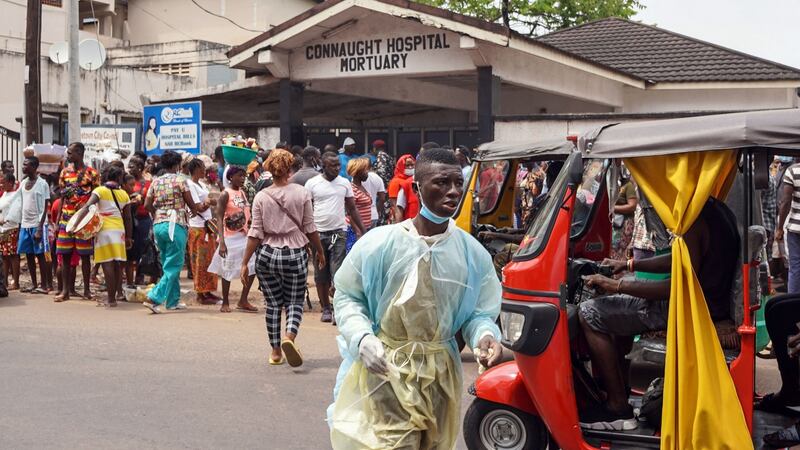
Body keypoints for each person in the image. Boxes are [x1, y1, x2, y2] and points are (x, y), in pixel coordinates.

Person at [328, 148, 503, 449]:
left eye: (457, 183)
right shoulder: (380, 244)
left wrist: (485, 336)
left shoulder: (471, 253)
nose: (452, 191)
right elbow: (347, 295)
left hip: (441, 377)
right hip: (387, 369)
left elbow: (477, 313)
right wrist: (361, 338)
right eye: (441, 182)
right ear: (417, 187)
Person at [577, 197, 738, 430]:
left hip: (692, 309)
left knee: (589, 312)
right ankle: (619, 388)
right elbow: (680, 260)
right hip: (705, 303)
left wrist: (617, 285)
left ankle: (617, 407)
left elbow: (676, 286)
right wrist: (630, 265)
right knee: (617, 306)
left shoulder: (696, 220)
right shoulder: (719, 209)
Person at [242, 149, 325, 366]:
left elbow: (255, 233)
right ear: (290, 169)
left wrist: (244, 262)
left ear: (268, 167)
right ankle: (289, 337)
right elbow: (309, 227)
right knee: (295, 301)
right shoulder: (301, 192)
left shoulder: (261, 196)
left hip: (266, 255)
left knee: (272, 305)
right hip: (294, 254)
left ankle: (276, 352)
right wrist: (319, 251)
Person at [305, 152, 366, 323]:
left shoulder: (344, 183)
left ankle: (338, 308)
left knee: (338, 272)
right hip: (317, 234)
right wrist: (305, 234)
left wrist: (363, 230)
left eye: (338, 165)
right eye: (333, 165)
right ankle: (325, 308)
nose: (337, 168)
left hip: (339, 232)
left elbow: (352, 209)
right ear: (323, 166)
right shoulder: (312, 184)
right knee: (320, 273)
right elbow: (307, 210)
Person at [142, 151, 199, 314]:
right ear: (177, 165)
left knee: (168, 261)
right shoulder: (181, 180)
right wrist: (192, 212)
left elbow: (147, 205)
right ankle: (154, 297)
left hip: (159, 225)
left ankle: (173, 301)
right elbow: (191, 204)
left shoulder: (155, 182)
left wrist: (158, 213)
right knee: (175, 264)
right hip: (176, 225)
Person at [72, 166, 132, 307]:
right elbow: (128, 218)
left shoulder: (99, 191)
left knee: (107, 264)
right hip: (119, 230)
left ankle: (110, 300)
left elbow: (87, 206)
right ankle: (116, 296)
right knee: (117, 264)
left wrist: (75, 225)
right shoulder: (124, 194)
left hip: (104, 229)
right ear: (118, 178)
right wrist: (129, 237)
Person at [207, 166, 258, 313]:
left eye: (244, 176)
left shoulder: (242, 193)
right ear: (230, 177)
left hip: (244, 236)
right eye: (239, 176)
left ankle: (243, 300)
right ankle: (226, 302)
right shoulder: (225, 194)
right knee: (227, 270)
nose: (243, 179)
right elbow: (219, 217)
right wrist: (221, 241)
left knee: (252, 267)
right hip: (230, 237)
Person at [55, 142, 100, 302]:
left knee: (85, 256)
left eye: (70, 153)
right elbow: (62, 197)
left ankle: (87, 290)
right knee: (65, 255)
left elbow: (97, 197)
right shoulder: (64, 173)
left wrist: (93, 217)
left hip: (84, 220)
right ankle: (66, 291)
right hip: (66, 218)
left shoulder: (92, 173)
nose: (68, 156)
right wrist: (57, 220)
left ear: (79, 153)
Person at [185, 158, 219, 305]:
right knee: (200, 261)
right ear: (196, 168)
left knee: (208, 260)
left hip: (206, 227)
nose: (204, 170)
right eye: (202, 167)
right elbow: (196, 207)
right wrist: (209, 202)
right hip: (198, 227)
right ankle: (201, 293)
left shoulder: (201, 184)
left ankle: (207, 291)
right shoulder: (190, 185)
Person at [16, 157, 52, 294]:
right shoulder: (23, 183)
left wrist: (39, 227)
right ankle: (34, 283)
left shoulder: (42, 184)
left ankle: (44, 285)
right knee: (29, 255)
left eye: (26, 165)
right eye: (23, 164)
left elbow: (45, 206)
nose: (23, 167)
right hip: (25, 224)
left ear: (34, 167)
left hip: (38, 225)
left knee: (40, 255)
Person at [125, 157, 152, 287]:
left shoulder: (148, 183)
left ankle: (139, 275)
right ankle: (129, 278)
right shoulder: (127, 181)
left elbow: (151, 200)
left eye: (132, 166)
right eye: (129, 166)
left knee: (142, 247)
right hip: (129, 218)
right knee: (130, 249)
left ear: (140, 168)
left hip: (143, 219)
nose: (130, 169)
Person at [777, 161, 800, 293]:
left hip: (795, 228)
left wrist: (780, 228)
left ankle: (794, 304)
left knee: (795, 266)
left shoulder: (792, 171)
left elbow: (786, 201)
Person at [345, 158, 374, 252]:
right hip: (356, 231)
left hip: (364, 228)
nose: (367, 173)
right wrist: (358, 231)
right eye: (365, 170)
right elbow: (349, 212)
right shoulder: (352, 189)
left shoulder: (361, 187)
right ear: (358, 172)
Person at [610, 168, 638, 261]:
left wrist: (613, 209)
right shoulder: (611, 186)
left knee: (620, 252)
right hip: (614, 223)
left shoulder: (627, 186)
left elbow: (632, 205)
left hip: (624, 224)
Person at [0, 173, 20, 290]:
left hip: (12, 227)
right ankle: (5, 282)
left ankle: (16, 282)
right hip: (3, 229)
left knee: (13, 256)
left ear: (10, 183)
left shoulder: (14, 195)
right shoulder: (5, 195)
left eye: (4, 182)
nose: (1, 184)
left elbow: (16, 211)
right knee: (4, 256)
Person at [387, 155, 418, 223]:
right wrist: (399, 222)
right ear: (401, 166)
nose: (410, 167)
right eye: (407, 165)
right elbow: (395, 205)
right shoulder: (395, 182)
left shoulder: (415, 180)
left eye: (412, 165)